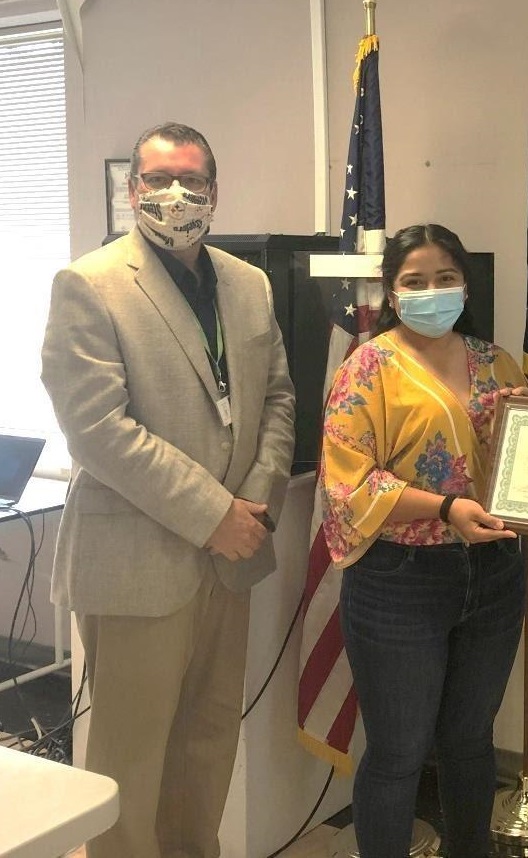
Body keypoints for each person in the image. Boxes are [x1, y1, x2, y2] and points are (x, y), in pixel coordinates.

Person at [40, 122, 296, 858]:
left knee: (208, 744)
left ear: (216, 191)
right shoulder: (88, 284)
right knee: (132, 758)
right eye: (157, 180)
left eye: (192, 179)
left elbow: (278, 398)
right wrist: (215, 514)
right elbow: (96, 430)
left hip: (232, 558)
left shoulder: (249, 285)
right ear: (133, 191)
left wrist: (255, 498)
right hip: (138, 564)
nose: (174, 194)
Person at [319, 223, 528, 857]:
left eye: (445, 278)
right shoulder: (368, 366)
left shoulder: (495, 361)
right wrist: (445, 507)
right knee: (400, 750)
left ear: (466, 285)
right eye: (415, 281)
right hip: (399, 579)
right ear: (391, 290)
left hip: (492, 573)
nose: (432, 291)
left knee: (470, 741)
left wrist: (526, 426)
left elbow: (518, 461)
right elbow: (349, 482)